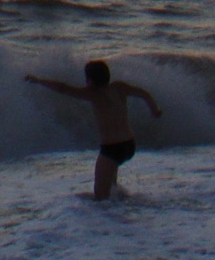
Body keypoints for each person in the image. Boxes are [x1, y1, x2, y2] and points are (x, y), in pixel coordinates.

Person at [25, 59, 162, 200]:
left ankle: (113, 217)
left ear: (90, 80)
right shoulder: (119, 87)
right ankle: (121, 212)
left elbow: (63, 88)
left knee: (100, 197)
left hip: (111, 149)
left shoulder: (93, 94)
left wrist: (38, 81)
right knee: (111, 188)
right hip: (128, 145)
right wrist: (154, 110)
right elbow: (144, 94)